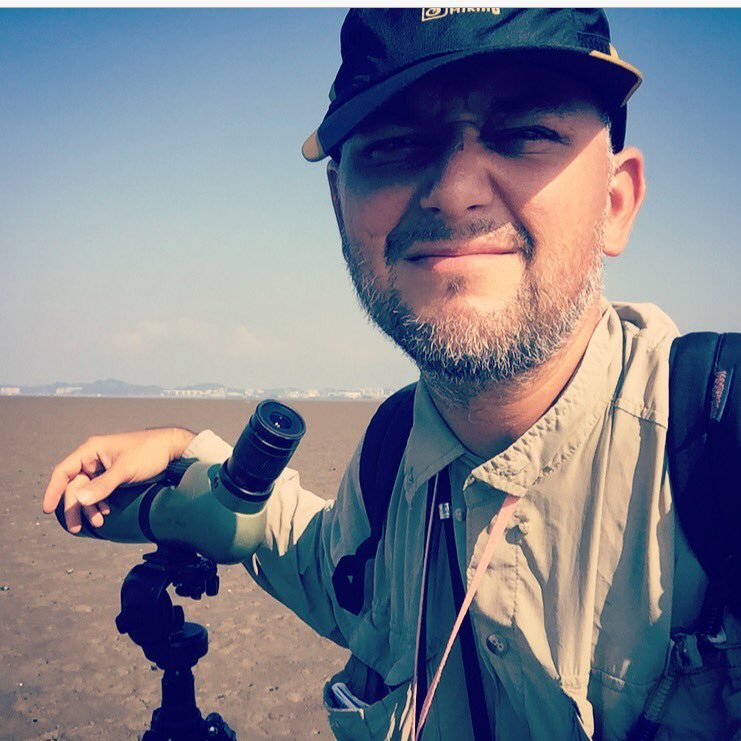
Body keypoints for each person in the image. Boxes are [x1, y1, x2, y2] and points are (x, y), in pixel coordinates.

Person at [41, 9, 740, 740]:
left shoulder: (717, 451)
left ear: (615, 202)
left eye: (524, 132)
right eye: (398, 144)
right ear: (340, 209)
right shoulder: (388, 467)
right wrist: (185, 449)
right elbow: (312, 555)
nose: (454, 188)